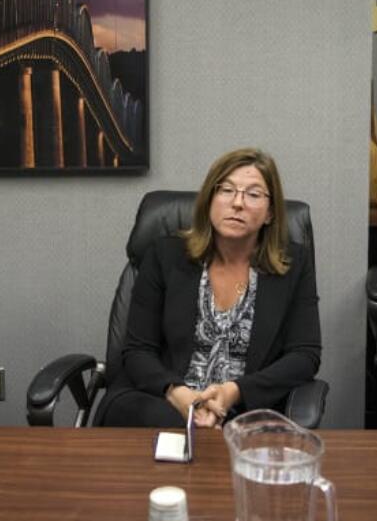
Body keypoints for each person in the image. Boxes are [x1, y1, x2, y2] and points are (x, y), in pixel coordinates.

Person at [100, 147, 322, 428]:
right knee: (167, 428)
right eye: (226, 190)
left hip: (245, 408)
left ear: (270, 213)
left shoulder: (294, 264)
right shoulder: (164, 255)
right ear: (209, 199)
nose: (237, 203)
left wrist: (234, 391)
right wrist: (178, 394)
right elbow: (137, 350)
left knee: (240, 437)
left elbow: (305, 355)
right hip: (162, 401)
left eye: (253, 194)